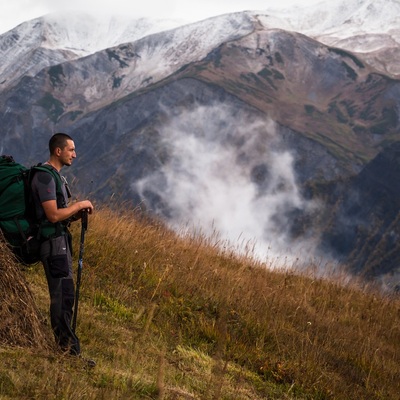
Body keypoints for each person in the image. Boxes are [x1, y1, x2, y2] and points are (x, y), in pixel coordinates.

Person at [31, 133, 94, 361]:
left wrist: (75, 215)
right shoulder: (45, 177)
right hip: (52, 245)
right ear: (58, 151)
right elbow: (53, 215)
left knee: (66, 295)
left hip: (59, 242)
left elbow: (59, 216)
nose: (75, 155)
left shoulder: (55, 177)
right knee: (62, 295)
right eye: (71, 150)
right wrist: (78, 204)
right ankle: (68, 352)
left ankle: (68, 350)